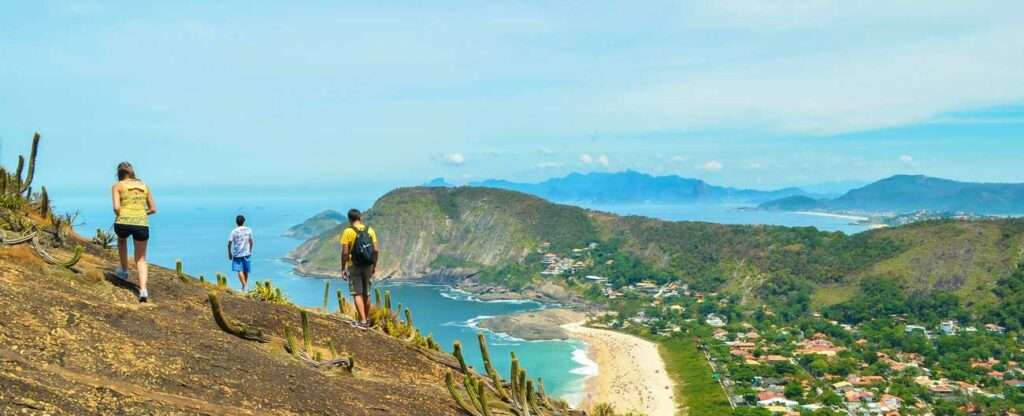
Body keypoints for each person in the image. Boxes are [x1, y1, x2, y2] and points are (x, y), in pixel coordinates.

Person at [111, 162, 156, 302]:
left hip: (123, 222)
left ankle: (124, 271)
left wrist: (125, 214)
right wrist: (141, 214)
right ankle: (143, 290)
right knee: (141, 259)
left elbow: (116, 208)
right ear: (132, 172)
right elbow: (153, 209)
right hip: (141, 223)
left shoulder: (117, 186)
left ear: (119, 174)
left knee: (122, 239)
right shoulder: (144, 186)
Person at [340, 208, 379, 329]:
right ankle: (366, 320)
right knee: (367, 293)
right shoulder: (370, 230)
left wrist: (343, 268)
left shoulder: (348, 231)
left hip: (354, 266)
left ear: (349, 219)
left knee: (357, 293)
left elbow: (345, 253)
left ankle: (362, 322)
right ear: (360, 218)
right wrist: (374, 265)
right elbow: (376, 250)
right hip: (368, 265)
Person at [227, 215, 254, 291]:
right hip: (247, 253)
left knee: (239, 270)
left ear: (236, 222)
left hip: (237, 254)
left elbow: (229, 243)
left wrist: (229, 253)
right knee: (246, 270)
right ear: (244, 221)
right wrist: (250, 250)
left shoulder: (234, 231)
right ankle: (245, 287)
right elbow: (251, 241)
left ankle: (244, 286)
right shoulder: (249, 230)